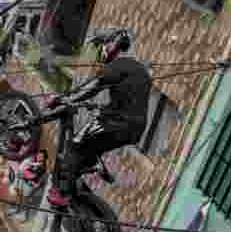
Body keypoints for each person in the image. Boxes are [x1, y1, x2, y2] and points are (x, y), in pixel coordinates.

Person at [45, 30, 152, 207]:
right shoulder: (140, 71)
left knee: (75, 144)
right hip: (134, 129)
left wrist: (65, 99)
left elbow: (92, 87)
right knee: (89, 147)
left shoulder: (119, 65)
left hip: (116, 122)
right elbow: (129, 101)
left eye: (102, 46)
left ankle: (64, 193)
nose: (101, 52)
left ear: (113, 45)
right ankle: (89, 164)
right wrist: (100, 107)